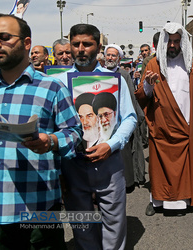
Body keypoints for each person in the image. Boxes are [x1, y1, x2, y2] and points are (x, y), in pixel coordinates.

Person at [0, 13, 81, 248]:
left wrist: (50, 141)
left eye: (4, 37)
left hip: (38, 209)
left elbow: (74, 131)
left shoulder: (51, 87)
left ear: (27, 43)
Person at [57, 23, 137, 250]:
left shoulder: (115, 80)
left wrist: (111, 146)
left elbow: (129, 118)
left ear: (98, 46)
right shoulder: (58, 82)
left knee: (114, 222)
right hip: (73, 164)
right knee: (82, 224)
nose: (81, 49)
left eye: (87, 44)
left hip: (109, 163)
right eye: (76, 44)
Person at [135, 22, 193, 216]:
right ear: (163, 42)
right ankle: (157, 201)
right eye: (169, 41)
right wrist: (149, 86)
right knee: (160, 167)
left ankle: (181, 201)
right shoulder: (153, 64)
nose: (173, 46)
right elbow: (142, 95)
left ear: (182, 42)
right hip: (161, 126)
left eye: (177, 41)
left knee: (184, 166)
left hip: (186, 125)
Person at [104, 43, 146, 186]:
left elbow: (131, 98)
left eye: (113, 55)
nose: (110, 58)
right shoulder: (99, 74)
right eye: (108, 55)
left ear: (119, 58)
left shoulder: (123, 75)